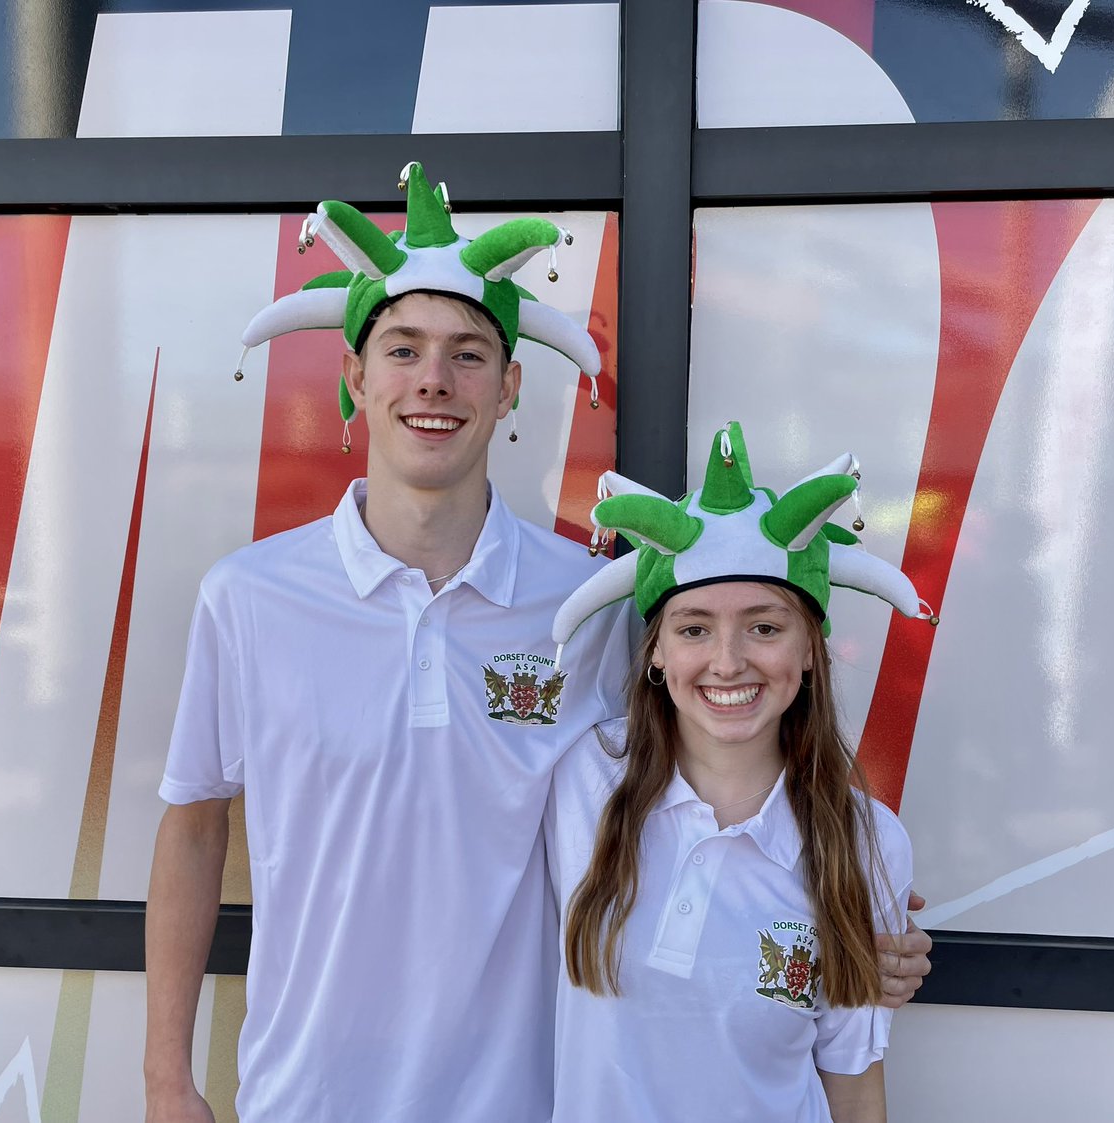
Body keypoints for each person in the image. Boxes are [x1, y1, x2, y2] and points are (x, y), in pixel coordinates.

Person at [143, 166, 932, 1122]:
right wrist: (165, 1080)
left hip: (517, 1098)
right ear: (354, 376)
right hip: (303, 1093)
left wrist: (848, 918)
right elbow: (192, 827)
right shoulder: (248, 597)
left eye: (469, 354)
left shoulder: (585, 607)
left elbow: (702, 793)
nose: (433, 380)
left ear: (511, 385)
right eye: (402, 349)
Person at [546, 421, 938, 1122]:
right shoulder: (582, 782)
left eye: (764, 626)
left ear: (812, 649)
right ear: (657, 652)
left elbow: (852, 1082)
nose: (728, 661)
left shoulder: (867, 843)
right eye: (694, 627)